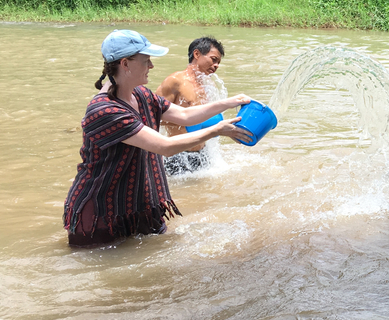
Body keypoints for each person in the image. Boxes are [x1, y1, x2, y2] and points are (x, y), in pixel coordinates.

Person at [63, 29, 253, 247]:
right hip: (102, 215)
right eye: (146, 61)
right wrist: (217, 130)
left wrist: (229, 102)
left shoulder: (142, 95)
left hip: (141, 205)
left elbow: (183, 115)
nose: (151, 66)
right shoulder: (105, 110)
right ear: (125, 64)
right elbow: (165, 146)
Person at [155, 36, 228, 175]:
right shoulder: (175, 81)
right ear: (197, 54)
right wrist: (185, 120)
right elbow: (151, 115)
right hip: (178, 155)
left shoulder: (208, 84)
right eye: (213, 59)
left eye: (218, 62)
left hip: (203, 154)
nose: (216, 65)